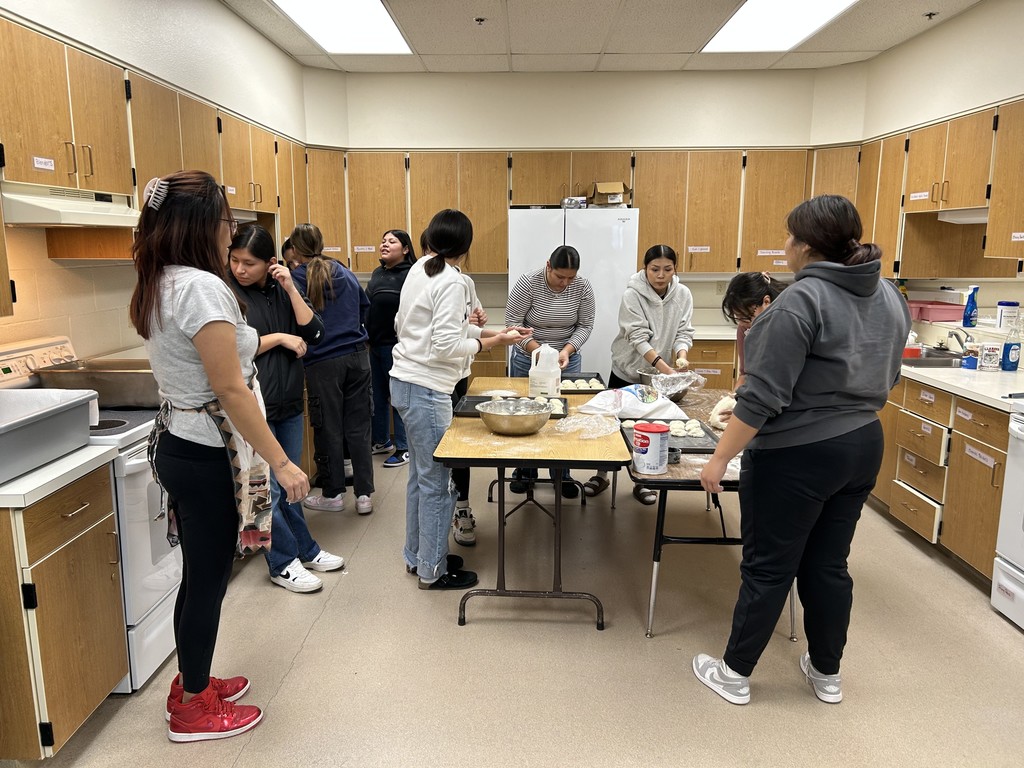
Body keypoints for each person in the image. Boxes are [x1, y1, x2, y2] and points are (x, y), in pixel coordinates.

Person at [693, 195, 911, 706]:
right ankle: (827, 673)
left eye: (790, 237)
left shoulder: (799, 302)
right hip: (862, 444)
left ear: (807, 245)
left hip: (798, 455)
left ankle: (734, 674)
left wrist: (720, 457)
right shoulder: (888, 294)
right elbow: (890, 373)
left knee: (768, 566)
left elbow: (762, 398)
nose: (785, 246)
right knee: (829, 564)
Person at [129, 171, 309, 741]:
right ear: (205, 225)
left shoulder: (160, 279)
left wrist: (273, 339)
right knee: (208, 580)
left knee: (200, 576)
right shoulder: (201, 288)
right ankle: (194, 708)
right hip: (209, 452)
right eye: (228, 223)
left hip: (181, 441)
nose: (230, 233)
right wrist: (282, 462)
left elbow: (228, 348)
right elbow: (230, 388)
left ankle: (193, 680)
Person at [391, 209, 527, 589]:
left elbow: (412, 324)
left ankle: (417, 556)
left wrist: (490, 329)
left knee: (420, 479)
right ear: (466, 246)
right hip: (427, 388)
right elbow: (446, 346)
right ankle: (432, 572)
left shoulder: (421, 268)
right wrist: (492, 341)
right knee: (437, 482)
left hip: (403, 382)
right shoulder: (450, 281)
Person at [227, 224, 345, 594]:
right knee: (272, 491)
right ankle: (282, 562)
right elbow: (231, 350)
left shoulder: (281, 290)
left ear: (271, 263)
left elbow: (316, 333)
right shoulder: (229, 295)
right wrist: (278, 337)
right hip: (254, 407)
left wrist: (292, 287)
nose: (240, 269)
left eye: (249, 263)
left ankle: (305, 550)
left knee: (294, 484)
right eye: (235, 260)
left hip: (289, 402)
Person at [587, 244, 694, 504]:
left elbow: (684, 331)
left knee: (651, 429)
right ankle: (602, 474)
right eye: (654, 269)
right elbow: (638, 338)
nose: (660, 275)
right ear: (645, 268)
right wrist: (666, 369)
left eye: (667, 269)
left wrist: (681, 356)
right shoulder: (632, 294)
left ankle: (644, 478)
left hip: (656, 376)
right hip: (626, 369)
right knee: (613, 426)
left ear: (674, 269)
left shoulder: (683, 295)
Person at [290, 224, 375, 516]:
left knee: (329, 429)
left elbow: (294, 320)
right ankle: (364, 496)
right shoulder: (344, 272)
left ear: (294, 249)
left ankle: (333, 494)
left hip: (322, 362)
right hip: (357, 356)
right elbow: (365, 308)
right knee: (359, 428)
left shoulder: (295, 278)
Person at [505, 245, 595, 497]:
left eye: (570, 278)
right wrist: (539, 352)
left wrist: (565, 351)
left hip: (567, 359)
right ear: (548, 266)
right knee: (527, 414)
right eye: (559, 277)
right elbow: (513, 323)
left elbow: (585, 325)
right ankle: (525, 470)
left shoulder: (583, 287)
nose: (565, 283)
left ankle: (562, 473)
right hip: (527, 359)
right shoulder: (529, 283)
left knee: (563, 417)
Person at [419, 230, 488, 548]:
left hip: (458, 374)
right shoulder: (420, 280)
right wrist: (484, 337)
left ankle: (461, 509)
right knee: (435, 455)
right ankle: (435, 521)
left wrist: (477, 320)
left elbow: (471, 320)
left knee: (459, 447)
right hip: (431, 379)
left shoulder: (464, 282)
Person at [365, 229, 415, 468]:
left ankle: (404, 447)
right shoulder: (378, 273)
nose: (384, 244)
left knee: (397, 397)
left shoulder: (411, 275)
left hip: (396, 345)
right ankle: (382, 440)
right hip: (373, 344)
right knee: (377, 396)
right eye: (383, 240)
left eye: (391, 241)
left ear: (405, 249)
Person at [721, 271, 789, 390]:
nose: (742, 323)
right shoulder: (744, 327)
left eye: (746, 317)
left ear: (766, 302)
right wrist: (734, 398)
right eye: (738, 317)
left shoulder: (788, 321)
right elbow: (745, 374)